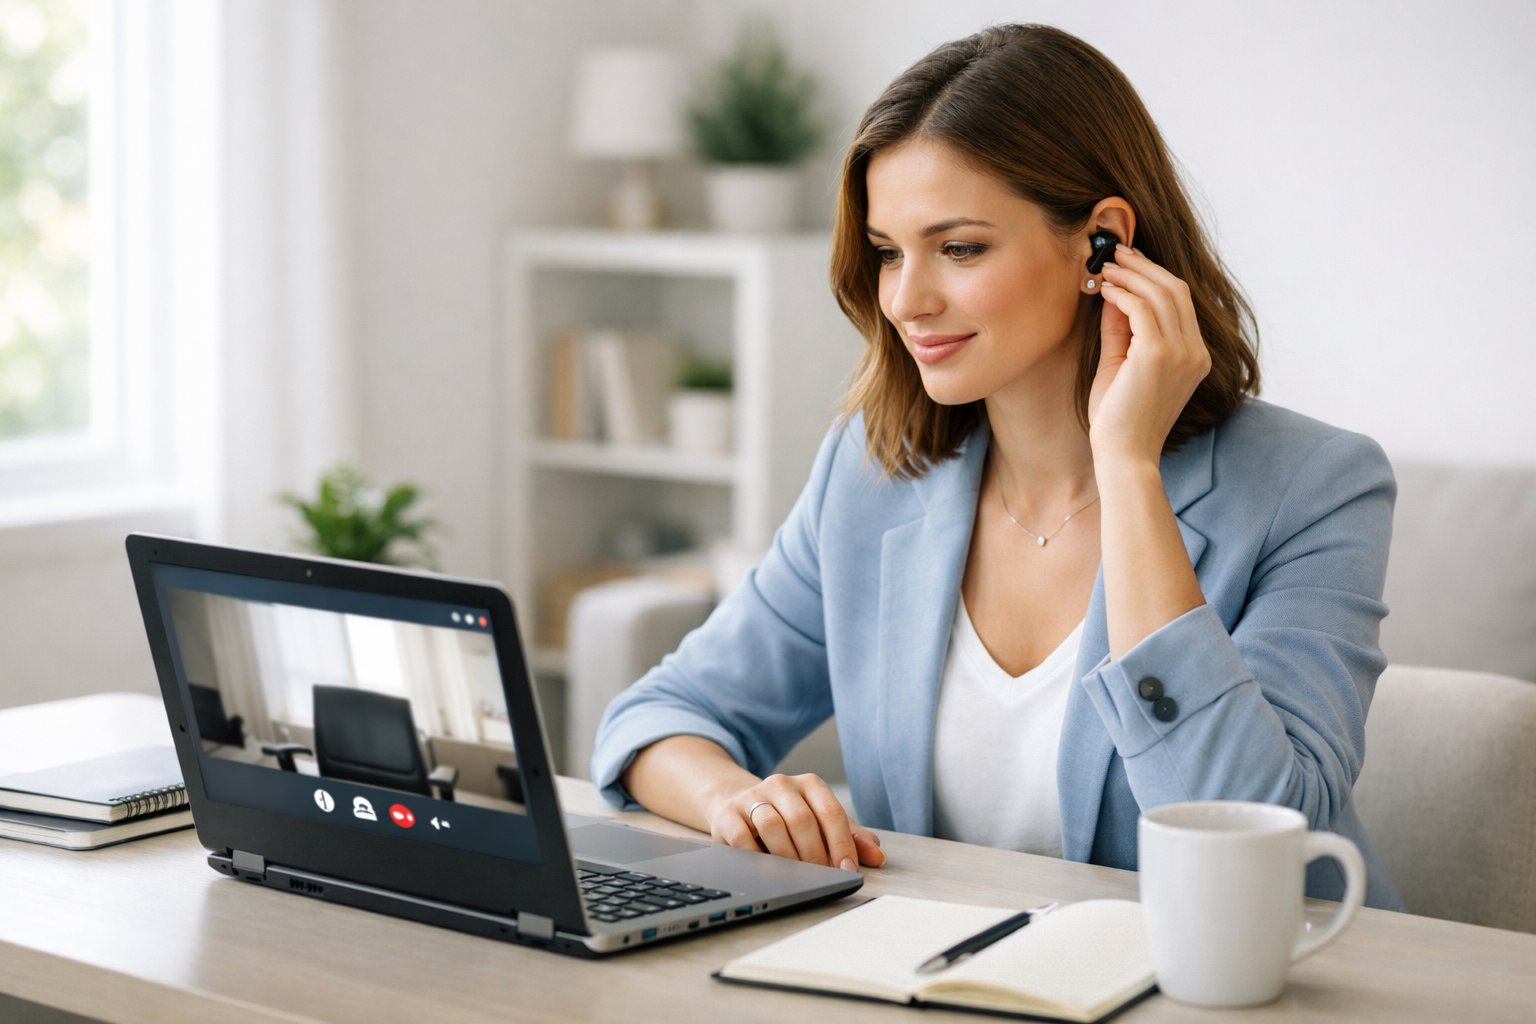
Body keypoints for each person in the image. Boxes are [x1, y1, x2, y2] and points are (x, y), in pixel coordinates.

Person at [591, 23, 1403, 909]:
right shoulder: (870, 474)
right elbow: (653, 720)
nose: (905, 299)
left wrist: (1127, 468)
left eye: (961, 248)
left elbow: (1260, 838)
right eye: (889, 251)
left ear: (1102, 243)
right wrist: (739, 800)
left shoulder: (1318, 488)